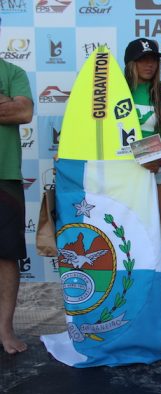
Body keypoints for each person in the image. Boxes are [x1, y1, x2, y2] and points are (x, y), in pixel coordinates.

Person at [123, 38, 161, 284]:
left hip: (155, 174)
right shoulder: (116, 96)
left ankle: (158, 313)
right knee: (125, 245)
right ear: (130, 64)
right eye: (143, 60)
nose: (149, 65)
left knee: (155, 245)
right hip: (122, 175)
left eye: (153, 60)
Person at [0, 16, 34, 354]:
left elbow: (24, 113)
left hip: (5, 173)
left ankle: (5, 331)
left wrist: (13, 104)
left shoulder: (14, 72)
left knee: (7, 256)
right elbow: (13, 108)